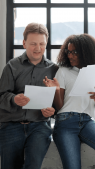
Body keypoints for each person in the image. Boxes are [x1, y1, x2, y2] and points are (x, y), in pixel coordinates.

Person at [43, 34, 95, 169]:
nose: (70, 55)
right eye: (68, 52)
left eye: (74, 52)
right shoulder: (63, 71)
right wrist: (56, 90)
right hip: (66, 121)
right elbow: (59, 107)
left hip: (87, 121)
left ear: (85, 52)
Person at [0, 23, 58, 169]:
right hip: (10, 126)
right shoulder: (11, 66)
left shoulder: (54, 70)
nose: (38, 48)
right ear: (24, 43)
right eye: (33, 44)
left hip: (39, 126)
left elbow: (59, 103)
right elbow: (1, 96)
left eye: (42, 44)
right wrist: (14, 99)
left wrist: (53, 111)